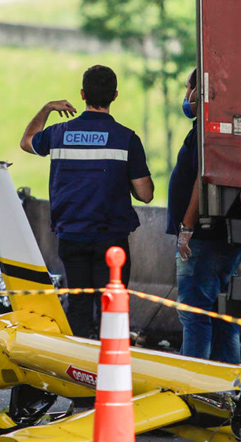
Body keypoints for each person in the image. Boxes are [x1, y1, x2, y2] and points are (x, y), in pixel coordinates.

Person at [20, 64, 154, 338]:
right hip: (111, 241)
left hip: (72, 237)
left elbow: (26, 141)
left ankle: (79, 371)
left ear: (82, 94)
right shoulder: (126, 139)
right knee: (111, 311)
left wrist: (46, 108)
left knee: (79, 310)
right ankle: (108, 373)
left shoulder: (59, 134)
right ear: (115, 96)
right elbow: (146, 194)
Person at [166, 67, 241, 364]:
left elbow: (202, 179)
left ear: (199, 92)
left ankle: (195, 387)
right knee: (220, 313)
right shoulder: (220, 131)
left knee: (194, 313)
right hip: (222, 236)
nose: (186, 97)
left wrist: (186, 228)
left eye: (189, 89)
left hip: (201, 238)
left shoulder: (204, 134)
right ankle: (227, 386)